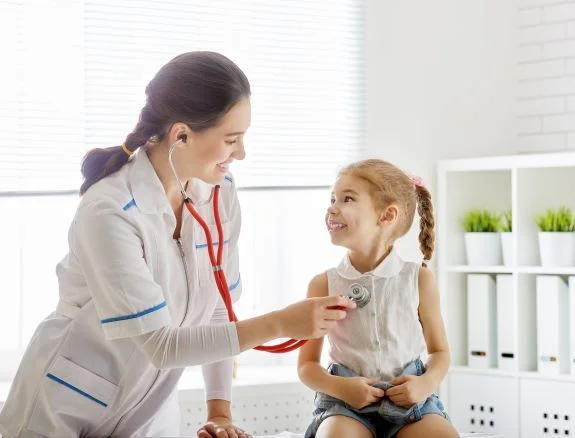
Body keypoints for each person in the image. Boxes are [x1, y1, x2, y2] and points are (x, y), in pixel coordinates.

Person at [0, 51, 355, 438]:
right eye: (231, 140)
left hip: (147, 415)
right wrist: (281, 323)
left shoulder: (219, 193)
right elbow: (161, 345)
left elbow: (218, 309)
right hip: (64, 409)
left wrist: (219, 410)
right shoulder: (109, 211)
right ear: (181, 134)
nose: (241, 154)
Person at [298, 159, 459, 438]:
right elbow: (307, 366)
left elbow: (440, 352)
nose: (332, 207)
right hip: (345, 405)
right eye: (333, 198)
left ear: (386, 216)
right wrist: (342, 388)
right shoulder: (324, 284)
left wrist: (424, 384)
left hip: (411, 407)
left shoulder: (418, 279)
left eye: (347, 199)